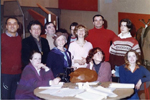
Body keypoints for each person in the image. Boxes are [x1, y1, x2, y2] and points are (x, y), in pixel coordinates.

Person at [1, 16, 22, 99]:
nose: (12, 26)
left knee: (15, 97)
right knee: (5, 97)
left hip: (18, 73)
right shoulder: (1, 38)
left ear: (17, 26)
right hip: (5, 74)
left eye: (14, 24)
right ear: (6, 26)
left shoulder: (19, 38)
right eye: (10, 24)